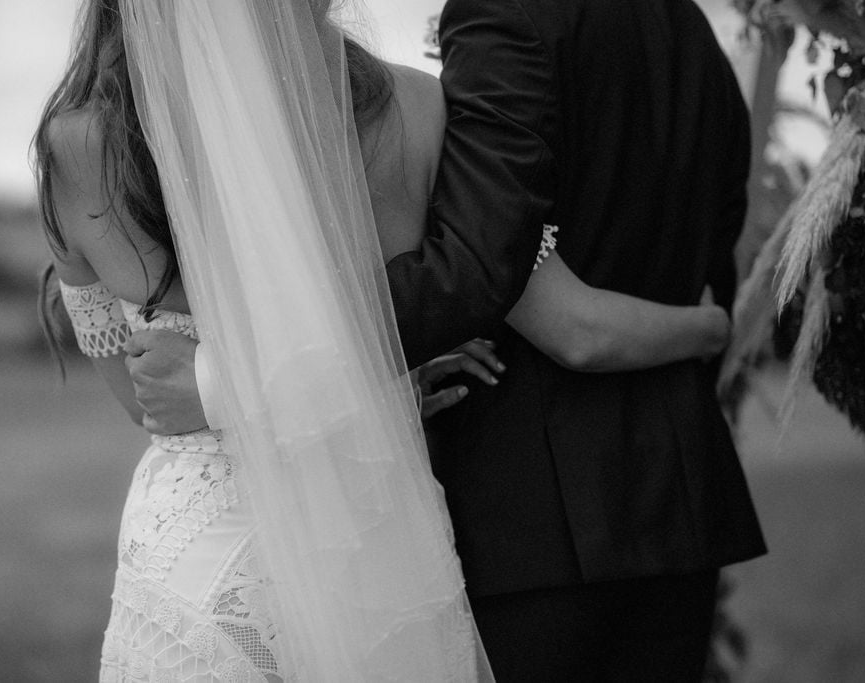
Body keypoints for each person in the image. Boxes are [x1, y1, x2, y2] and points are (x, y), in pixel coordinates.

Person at [40, 1, 757, 681]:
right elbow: (533, 294)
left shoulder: (80, 147)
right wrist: (392, 367)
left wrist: (226, 382)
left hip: (208, 553)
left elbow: (143, 401)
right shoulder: (414, 105)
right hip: (389, 541)